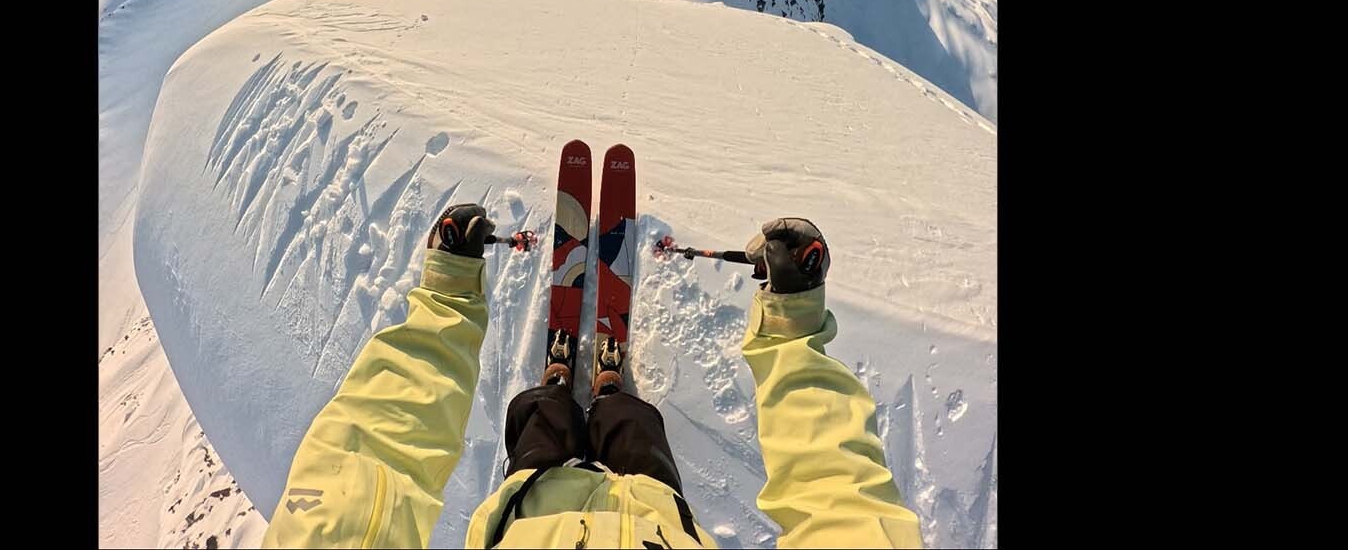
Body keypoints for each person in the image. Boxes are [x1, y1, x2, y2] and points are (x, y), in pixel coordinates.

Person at [263, 204, 923, 548]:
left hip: (532, 508)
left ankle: (560, 385)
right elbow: (847, 512)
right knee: (632, 428)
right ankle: (606, 390)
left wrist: (446, 305)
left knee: (544, 423)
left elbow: (365, 474)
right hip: (655, 517)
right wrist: (792, 338)